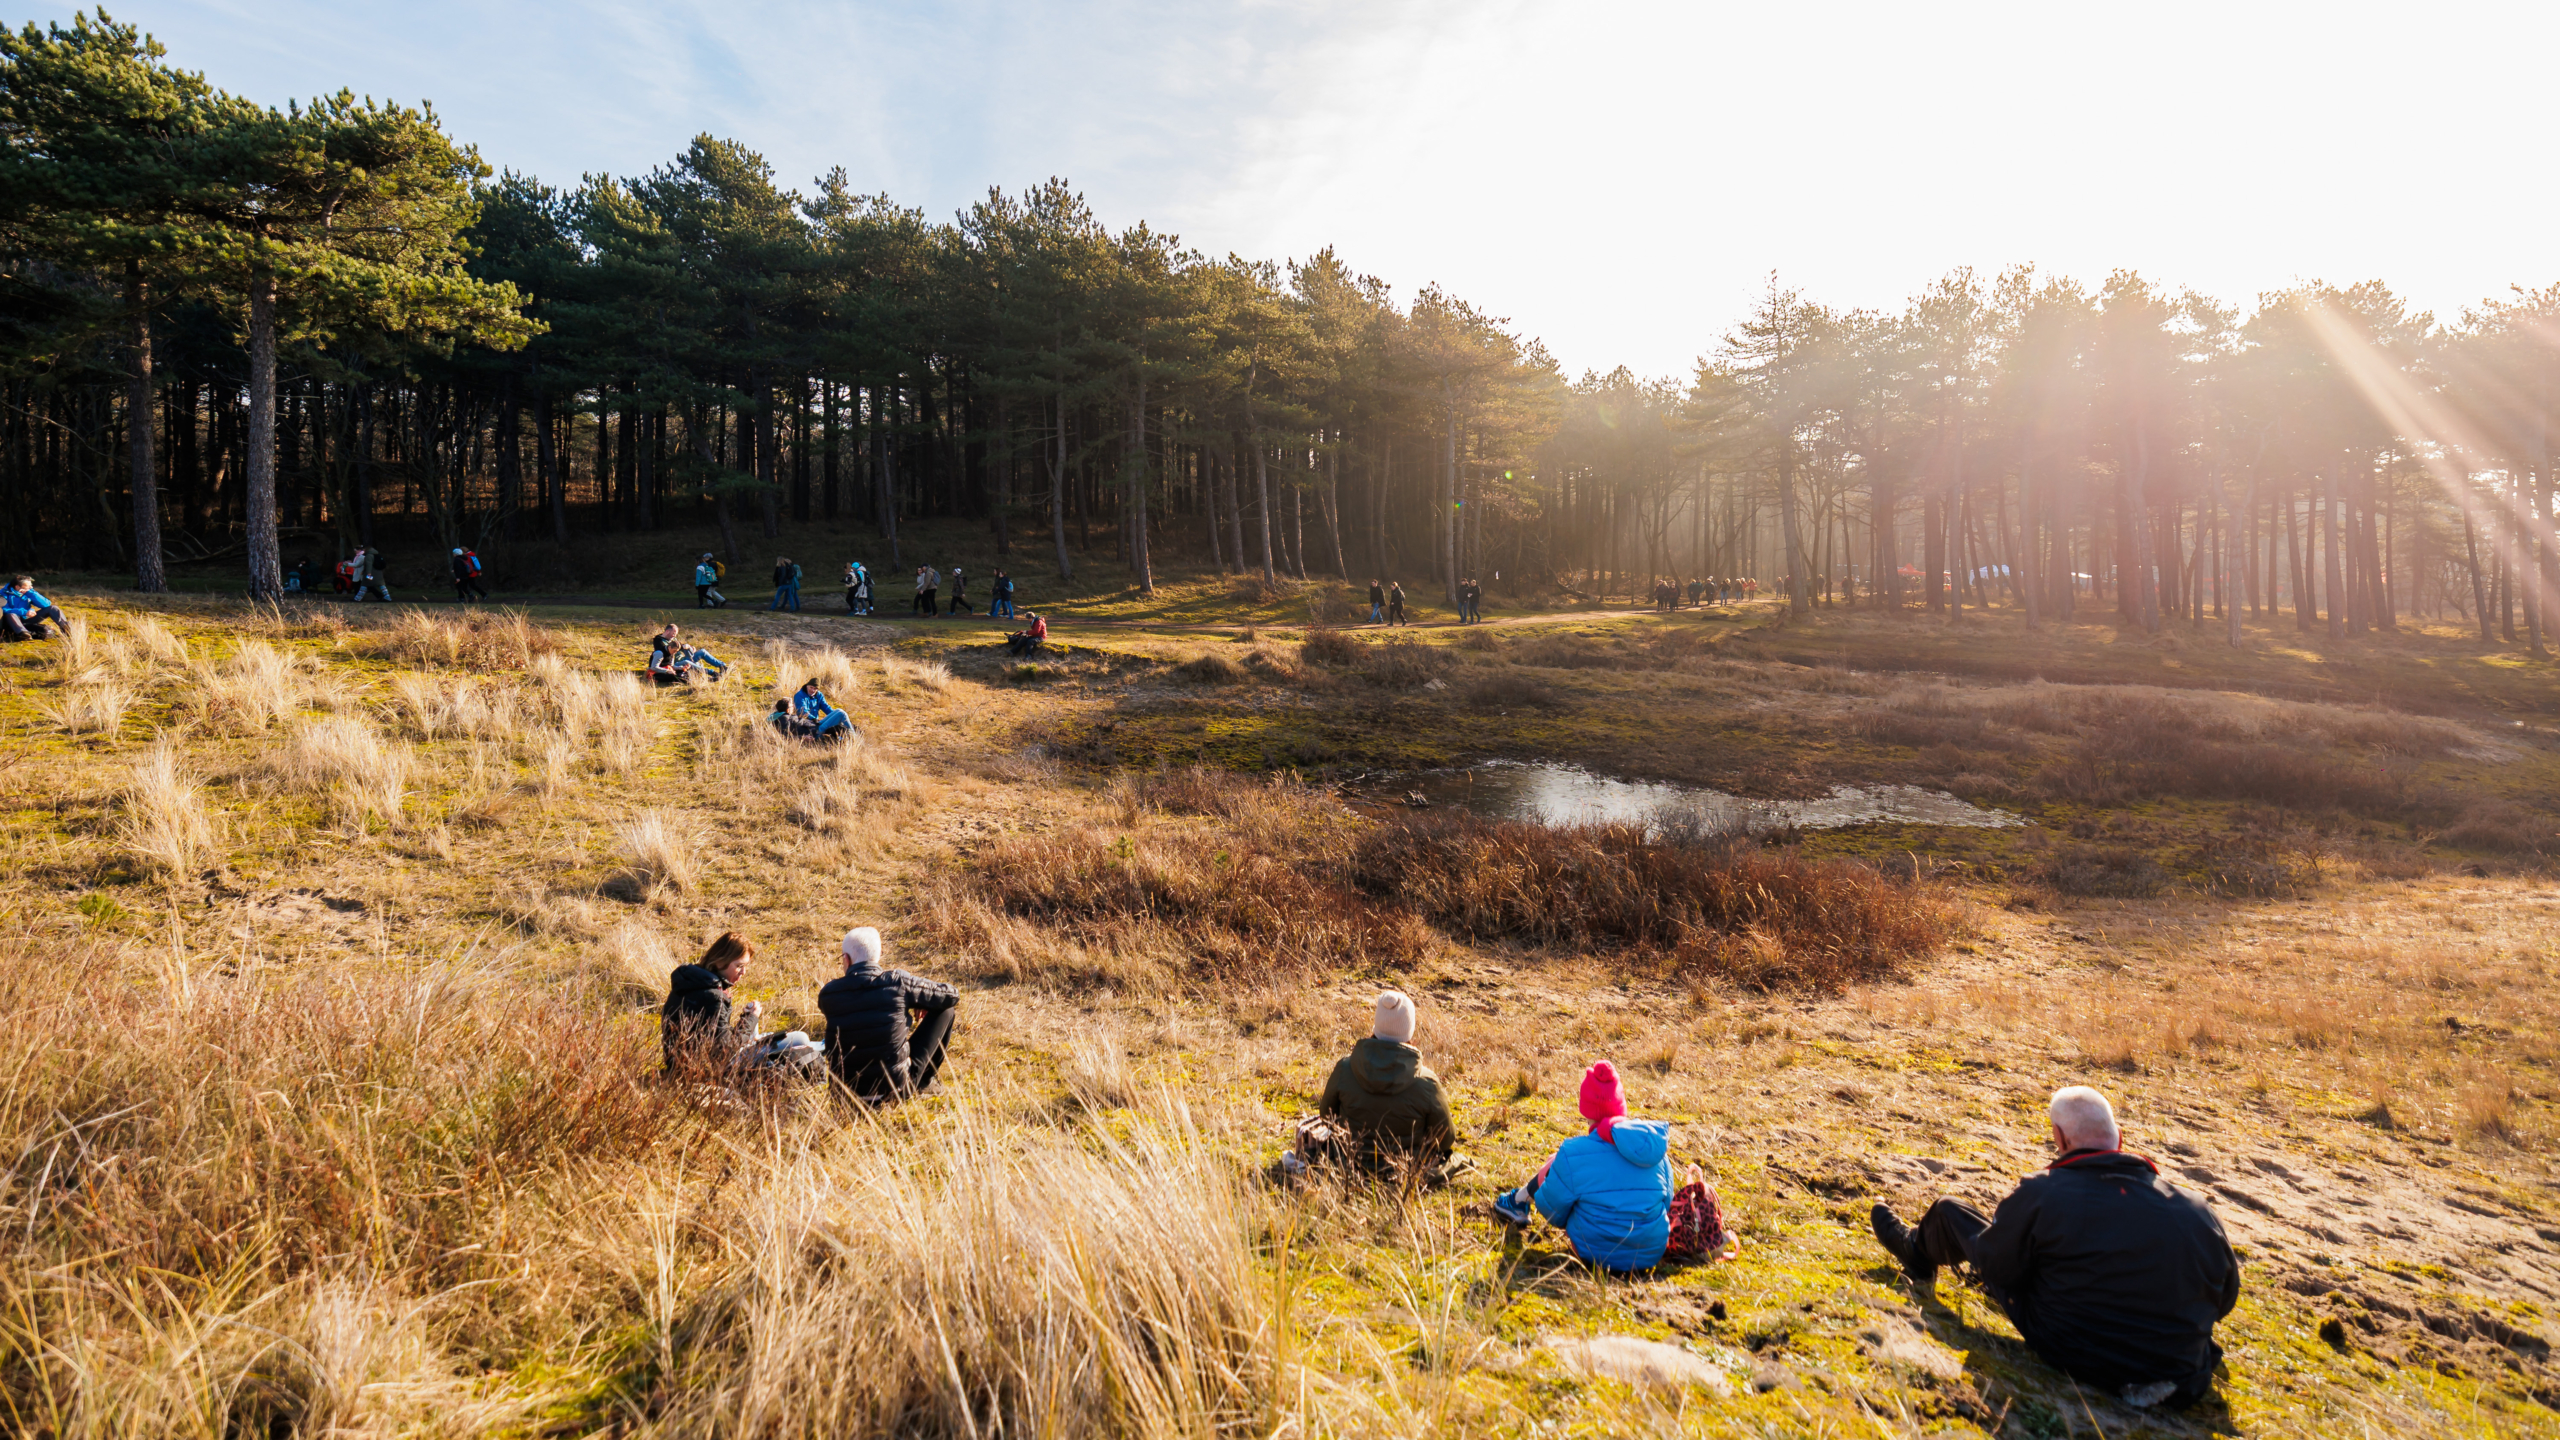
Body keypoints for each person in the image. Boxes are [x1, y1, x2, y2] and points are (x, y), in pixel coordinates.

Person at [1868, 1086, 2240, 1411]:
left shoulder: (2042, 1193)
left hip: (2075, 1350)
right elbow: (2224, 1301)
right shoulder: (2196, 1209)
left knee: (1951, 1211)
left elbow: (1998, 1268)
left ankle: (1915, 1250)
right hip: (2184, 1380)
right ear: (2119, 1138)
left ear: (2059, 1138)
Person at [1491, 1061, 1675, 1271]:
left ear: (1586, 1109)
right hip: (1649, 1253)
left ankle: (1518, 1201)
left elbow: (1553, 1212)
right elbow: (1666, 1204)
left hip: (1595, 1252)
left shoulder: (1573, 1152)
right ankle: (1520, 1199)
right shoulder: (1655, 1151)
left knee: (1562, 1171)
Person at [1313, 991, 1456, 1174]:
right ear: (1409, 1030)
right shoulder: (1427, 1084)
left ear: (1376, 1025)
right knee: (1457, 1160)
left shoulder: (1345, 1069)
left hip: (1350, 1166)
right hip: (1405, 1172)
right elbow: (1446, 1139)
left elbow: (1327, 1116)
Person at [818, 926, 960, 1100]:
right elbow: (951, 995)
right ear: (879, 955)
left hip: (845, 1095)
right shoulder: (897, 982)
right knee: (945, 1010)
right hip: (895, 1091)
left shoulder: (828, 994)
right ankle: (924, 1083)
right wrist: (922, 1001)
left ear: (846, 959)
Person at [661, 932, 763, 1078]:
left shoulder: (690, 981)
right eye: (739, 966)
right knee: (799, 1040)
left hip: (677, 1066)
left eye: (745, 966)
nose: (743, 972)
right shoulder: (713, 996)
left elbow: (716, 1039)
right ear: (721, 961)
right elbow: (726, 1049)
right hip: (703, 1072)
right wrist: (751, 1018)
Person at [1, 577, 67, 640]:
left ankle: (66, 628)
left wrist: (31, 593)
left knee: (53, 608)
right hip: (11, 621)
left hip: (27, 620)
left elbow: (46, 604)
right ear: (17, 587)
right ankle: (23, 634)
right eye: (28, 586)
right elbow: (4, 610)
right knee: (11, 614)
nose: (31, 587)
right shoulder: (3, 594)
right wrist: (24, 612)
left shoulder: (29, 593)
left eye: (31, 585)